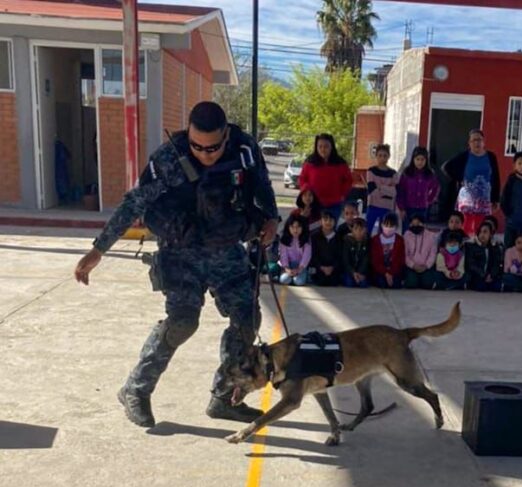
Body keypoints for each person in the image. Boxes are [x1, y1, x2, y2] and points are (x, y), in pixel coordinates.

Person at [73, 101, 279, 428]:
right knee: (183, 322)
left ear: (226, 135)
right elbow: (134, 202)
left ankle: (223, 397)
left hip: (226, 249)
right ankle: (135, 390)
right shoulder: (169, 158)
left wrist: (271, 220)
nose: (205, 154)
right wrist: (99, 249)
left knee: (246, 318)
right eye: (197, 146)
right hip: (180, 251)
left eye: (213, 147)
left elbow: (263, 186)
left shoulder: (244, 150)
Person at [441, 129, 501, 235]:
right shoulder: (465, 156)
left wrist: (495, 199)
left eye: (479, 140)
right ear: (469, 143)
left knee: (481, 227)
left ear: (484, 142)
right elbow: (446, 167)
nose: (477, 143)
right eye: (474, 140)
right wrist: (461, 179)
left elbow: (496, 177)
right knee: (465, 226)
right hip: (467, 199)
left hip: (484, 198)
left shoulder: (491, 156)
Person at [299, 133, 353, 219]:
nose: (323, 149)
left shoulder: (340, 163)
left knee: (330, 229)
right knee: (314, 230)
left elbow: (348, 180)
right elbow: (302, 179)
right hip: (314, 204)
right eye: (320, 146)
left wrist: (342, 195)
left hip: (334, 204)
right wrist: (306, 195)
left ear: (331, 147)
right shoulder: (310, 162)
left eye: (326, 146)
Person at [396, 146, 440, 230]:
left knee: (420, 232)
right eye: (417, 159)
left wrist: (429, 199)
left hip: (422, 208)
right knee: (407, 231)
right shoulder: (407, 173)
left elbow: (436, 187)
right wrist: (401, 208)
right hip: (408, 208)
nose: (420, 162)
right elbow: (400, 191)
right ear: (413, 159)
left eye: (422, 159)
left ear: (426, 160)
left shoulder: (430, 174)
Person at [366, 144, 399, 234]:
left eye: (385, 156)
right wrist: (387, 189)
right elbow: (372, 190)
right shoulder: (371, 171)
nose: (382, 158)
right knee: (367, 230)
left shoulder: (393, 173)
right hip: (373, 205)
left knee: (384, 232)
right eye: (380, 155)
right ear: (376, 156)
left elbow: (394, 192)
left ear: (389, 157)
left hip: (387, 207)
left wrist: (380, 187)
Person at [466, 220, 504, 292]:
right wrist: (484, 275)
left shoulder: (495, 247)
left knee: (496, 287)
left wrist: (491, 275)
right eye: (480, 232)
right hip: (478, 275)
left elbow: (497, 263)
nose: (482, 234)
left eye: (485, 232)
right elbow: (471, 264)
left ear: (490, 234)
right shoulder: (471, 246)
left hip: (490, 276)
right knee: (480, 286)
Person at [403, 213, 438, 290]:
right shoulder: (407, 235)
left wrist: (426, 266)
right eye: (413, 224)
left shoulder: (431, 236)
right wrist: (413, 265)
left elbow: (433, 254)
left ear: (423, 224)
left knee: (428, 284)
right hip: (412, 266)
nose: (415, 226)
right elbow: (405, 254)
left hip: (426, 267)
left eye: (418, 224)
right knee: (411, 284)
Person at [371, 213, 406, 289]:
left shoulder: (400, 240)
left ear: (396, 227)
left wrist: (391, 273)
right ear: (382, 225)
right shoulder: (375, 239)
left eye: (391, 226)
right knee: (381, 283)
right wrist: (385, 273)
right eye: (386, 225)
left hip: (394, 271)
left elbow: (400, 259)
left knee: (395, 285)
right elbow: (375, 260)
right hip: (380, 271)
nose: (388, 228)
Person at [310, 210, 343, 287]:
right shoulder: (314, 236)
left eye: (331, 220)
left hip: (333, 269)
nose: (328, 222)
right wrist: (321, 267)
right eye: (325, 219)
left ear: (335, 222)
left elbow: (340, 256)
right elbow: (313, 255)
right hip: (319, 268)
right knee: (321, 281)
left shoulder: (339, 237)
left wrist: (332, 267)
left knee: (333, 282)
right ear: (321, 221)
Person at [278, 214, 311, 286]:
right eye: (292, 227)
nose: (295, 230)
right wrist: (287, 269)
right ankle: (291, 277)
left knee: (298, 282)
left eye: (298, 227)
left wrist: (299, 269)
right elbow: (283, 256)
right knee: (284, 280)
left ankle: (304, 276)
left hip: (301, 266)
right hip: (288, 266)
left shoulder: (306, 240)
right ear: (288, 227)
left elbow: (306, 256)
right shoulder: (284, 240)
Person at [342, 217, 370, 288]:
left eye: (361, 229)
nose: (358, 232)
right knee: (349, 283)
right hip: (350, 271)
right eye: (356, 229)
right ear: (352, 230)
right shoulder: (347, 241)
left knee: (363, 284)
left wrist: (360, 272)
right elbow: (346, 260)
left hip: (362, 271)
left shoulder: (367, 242)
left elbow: (366, 260)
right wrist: (353, 273)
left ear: (365, 230)